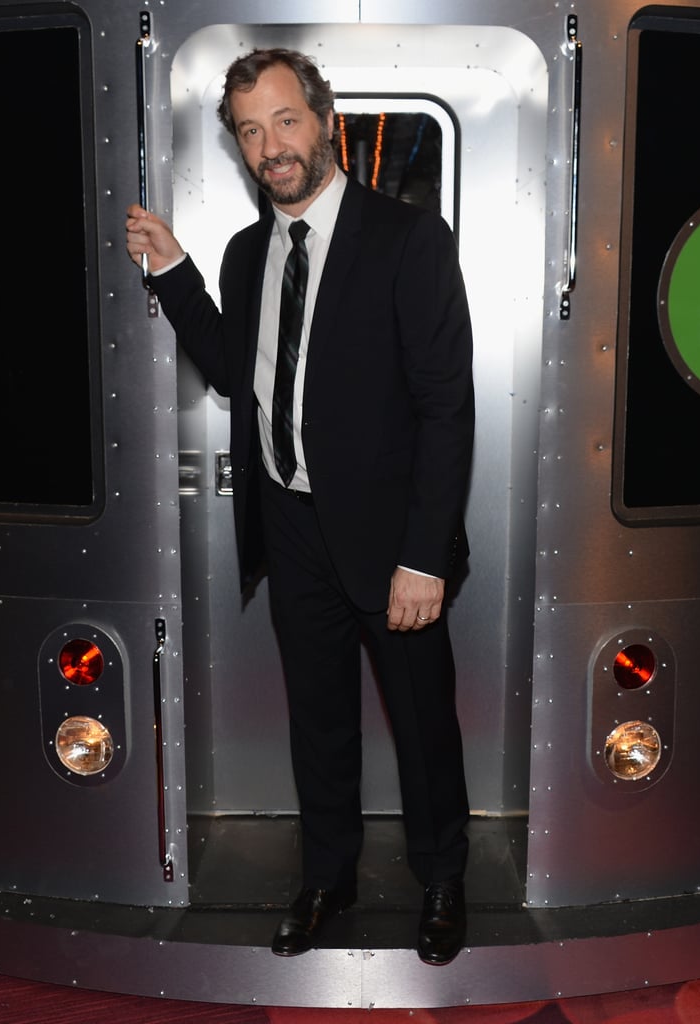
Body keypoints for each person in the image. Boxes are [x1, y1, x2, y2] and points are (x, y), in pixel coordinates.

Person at [126, 47, 474, 966]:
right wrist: (173, 269)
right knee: (317, 719)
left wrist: (424, 557)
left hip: (392, 542)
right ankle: (328, 877)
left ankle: (444, 881)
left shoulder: (407, 240)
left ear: (323, 119)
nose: (270, 145)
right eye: (250, 130)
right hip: (292, 525)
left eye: (285, 120)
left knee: (423, 724)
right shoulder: (248, 254)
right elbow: (240, 374)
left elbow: (447, 409)